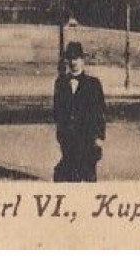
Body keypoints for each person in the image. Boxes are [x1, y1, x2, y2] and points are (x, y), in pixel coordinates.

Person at [52, 41, 106, 182]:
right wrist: (61, 133)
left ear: (83, 60)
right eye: (70, 58)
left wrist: (100, 137)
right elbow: (57, 111)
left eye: (76, 58)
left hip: (87, 140)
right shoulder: (61, 83)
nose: (73, 62)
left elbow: (100, 112)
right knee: (67, 178)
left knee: (87, 178)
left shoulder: (93, 84)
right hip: (68, 140)